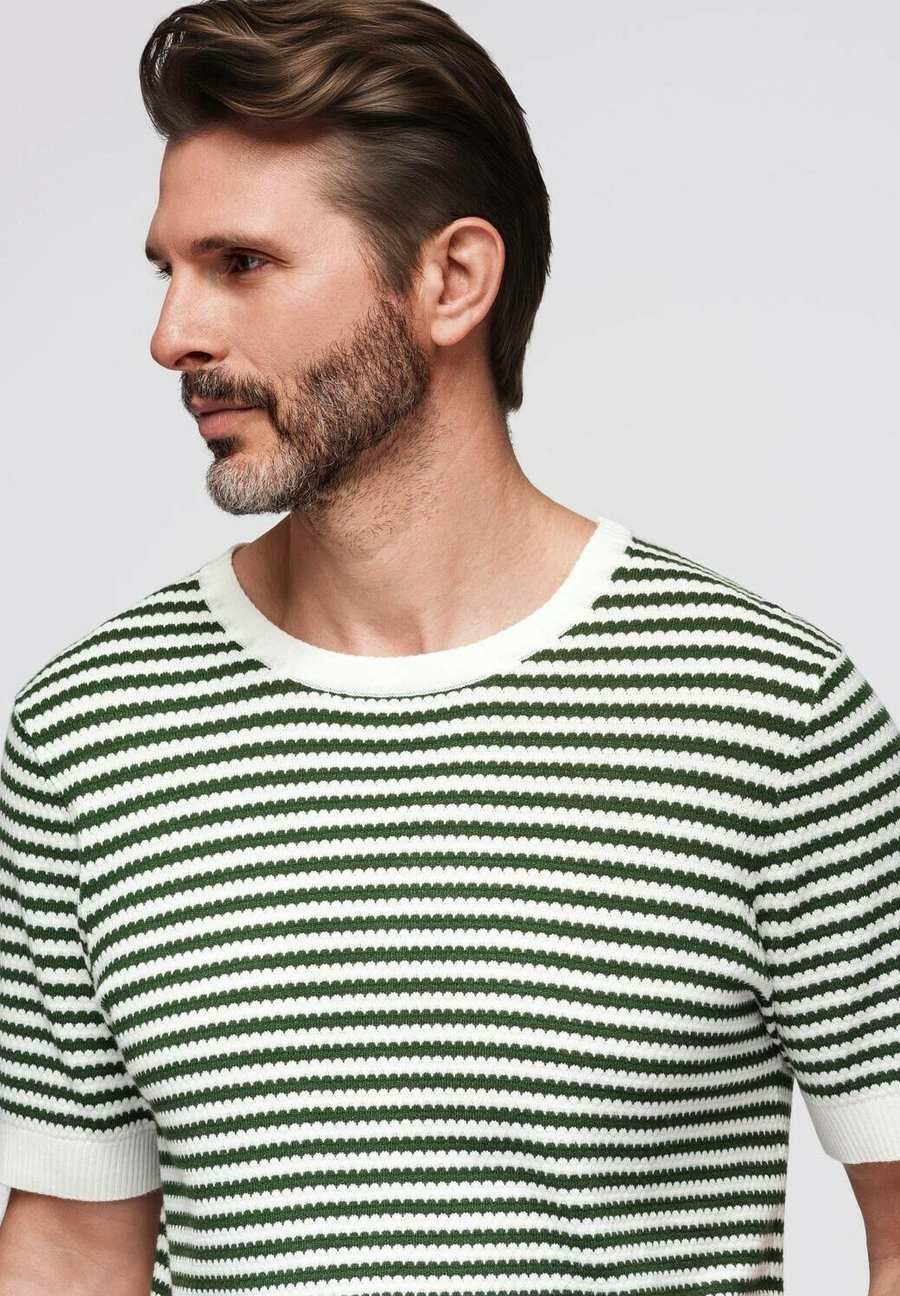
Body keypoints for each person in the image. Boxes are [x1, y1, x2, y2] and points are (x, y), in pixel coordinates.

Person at [1, 2, 898, 1294]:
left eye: (241, 263)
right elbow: (72, 1247)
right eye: (168, 271)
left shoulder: (768, 715)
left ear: (452, 281)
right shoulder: (88, 734)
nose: (173, 336)